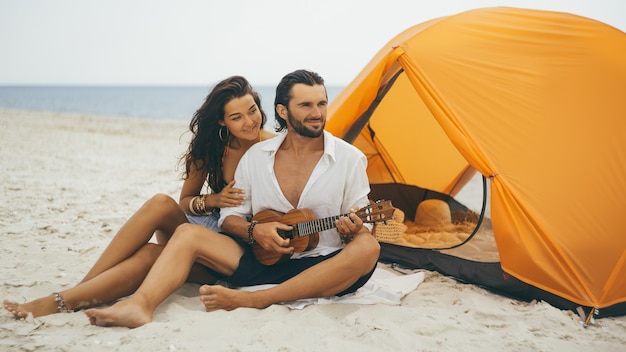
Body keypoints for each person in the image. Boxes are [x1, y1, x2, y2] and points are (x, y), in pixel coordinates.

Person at [83, 69, 381, 328]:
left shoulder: (349, 158)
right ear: (283, 111)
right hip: (261, 255)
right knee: (171, 224)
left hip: (322, 263)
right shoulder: (255, 157)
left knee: (368, 247)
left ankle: (256, 300)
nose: (317, 112)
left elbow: (364, 219)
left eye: (322, 103)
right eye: (306, 105)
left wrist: (356, 229)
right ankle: (132, 303)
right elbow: (223, 215)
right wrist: (249, 225)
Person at [3, 76, 274, 319]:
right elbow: (184, 202)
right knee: (160, 202)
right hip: (200, 230)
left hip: (233, 251)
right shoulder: (212, 149)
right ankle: (81, 289)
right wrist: (213, 201)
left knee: (149, 254)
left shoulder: (273, 148)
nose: (249, 122)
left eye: (252, 111)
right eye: (236, 117)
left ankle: (65, 300)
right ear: (221, 121)